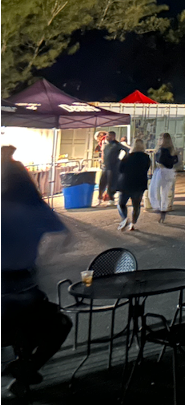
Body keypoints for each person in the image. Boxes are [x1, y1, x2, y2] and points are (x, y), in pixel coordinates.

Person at [1, 145, 73, 397]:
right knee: (58, 326)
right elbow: (66, 236)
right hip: (27, 295)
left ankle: (22, 370)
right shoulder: (35, 208)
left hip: (10, 298)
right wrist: (42, 259)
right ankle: (25, 369)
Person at [116, 139, 151, 231]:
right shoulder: (146, 157)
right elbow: (147, 168)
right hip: (139, 184)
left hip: (126, 183)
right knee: (136, 205)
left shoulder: (127, 157)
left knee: (121, 203)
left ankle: (124, 218)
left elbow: (120, 169)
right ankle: (133, 224)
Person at [149, 133, 179, 223]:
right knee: (165, 192)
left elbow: (160, 160)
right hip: (169, 171)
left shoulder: (162, 150)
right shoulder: (171, 149)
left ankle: (159, 208)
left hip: (162, 170)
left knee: (154, 190)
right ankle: (163, 209)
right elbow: (175, 160)